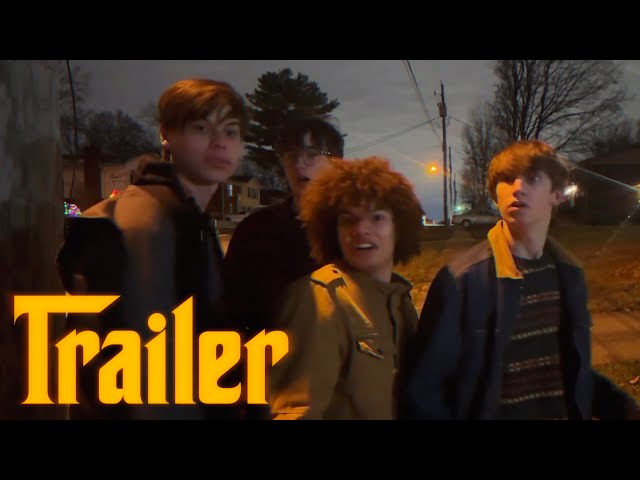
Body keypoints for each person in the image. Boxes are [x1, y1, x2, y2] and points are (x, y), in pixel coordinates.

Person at [401, 139, 640, 420]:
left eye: (532, 178)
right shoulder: (461, 280)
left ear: (557, 194)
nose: (517, 188)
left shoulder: (569, 273)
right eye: (507, 179)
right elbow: (424, 389)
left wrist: (622, 407)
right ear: (495, 194)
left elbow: (568, 369)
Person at [56, 78, 248, 420]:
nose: (219, 142)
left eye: (231, 131)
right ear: (166, 134)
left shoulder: (182, 218)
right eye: (201, 128)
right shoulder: (159, 221)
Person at [267, 157, 424, 420]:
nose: (361, 230)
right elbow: (296, 411)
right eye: (348, 220)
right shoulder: (319, 297)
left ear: (399, 228)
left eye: (377, 218)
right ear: (332, 231)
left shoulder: (400, 300)